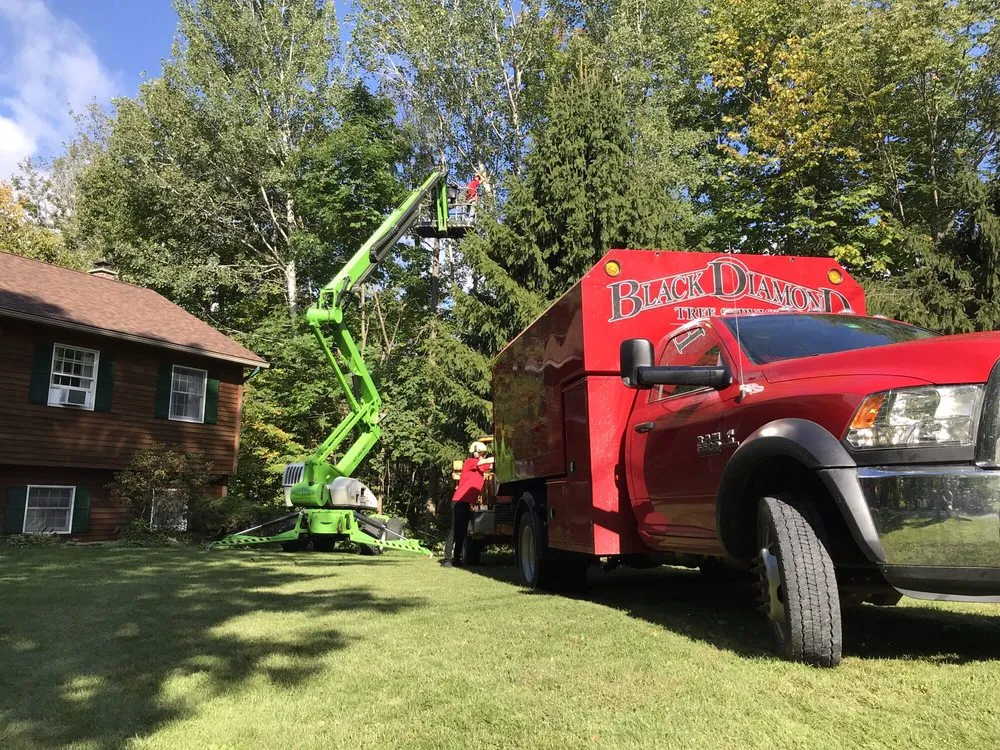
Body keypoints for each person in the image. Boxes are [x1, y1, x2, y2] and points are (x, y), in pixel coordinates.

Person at [442, 441, 494, 567]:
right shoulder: (470, 462)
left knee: (463, 532)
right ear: (476, 452)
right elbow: (484, 462)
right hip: (459, 501)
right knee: (455, 530)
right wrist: (495, 457)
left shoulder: (480, 468)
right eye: (482, 453)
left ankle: (457, 559)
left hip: (466, 503)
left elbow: (489, 466)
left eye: (484, 453)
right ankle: (447, 559)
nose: (483, 455)